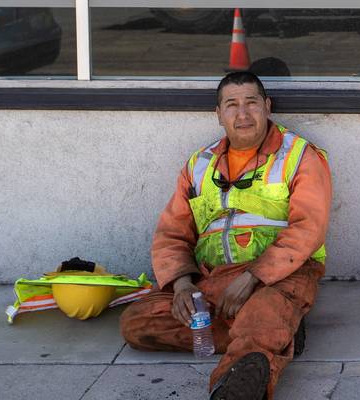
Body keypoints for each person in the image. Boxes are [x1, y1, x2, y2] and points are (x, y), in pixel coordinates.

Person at [119, 71, 332, 399]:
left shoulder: (299, 155)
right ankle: (275, 330)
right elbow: (172, 232)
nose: (243, 114)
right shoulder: (199, 164)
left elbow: (308, 228)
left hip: (280, 276)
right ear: (219, 114)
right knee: (137, 323)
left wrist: (253, 276)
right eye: (232, 105)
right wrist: (182, 284)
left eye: (251, 103)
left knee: (265, 308)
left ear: (267, 106)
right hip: (213, 280)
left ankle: (232, 382)